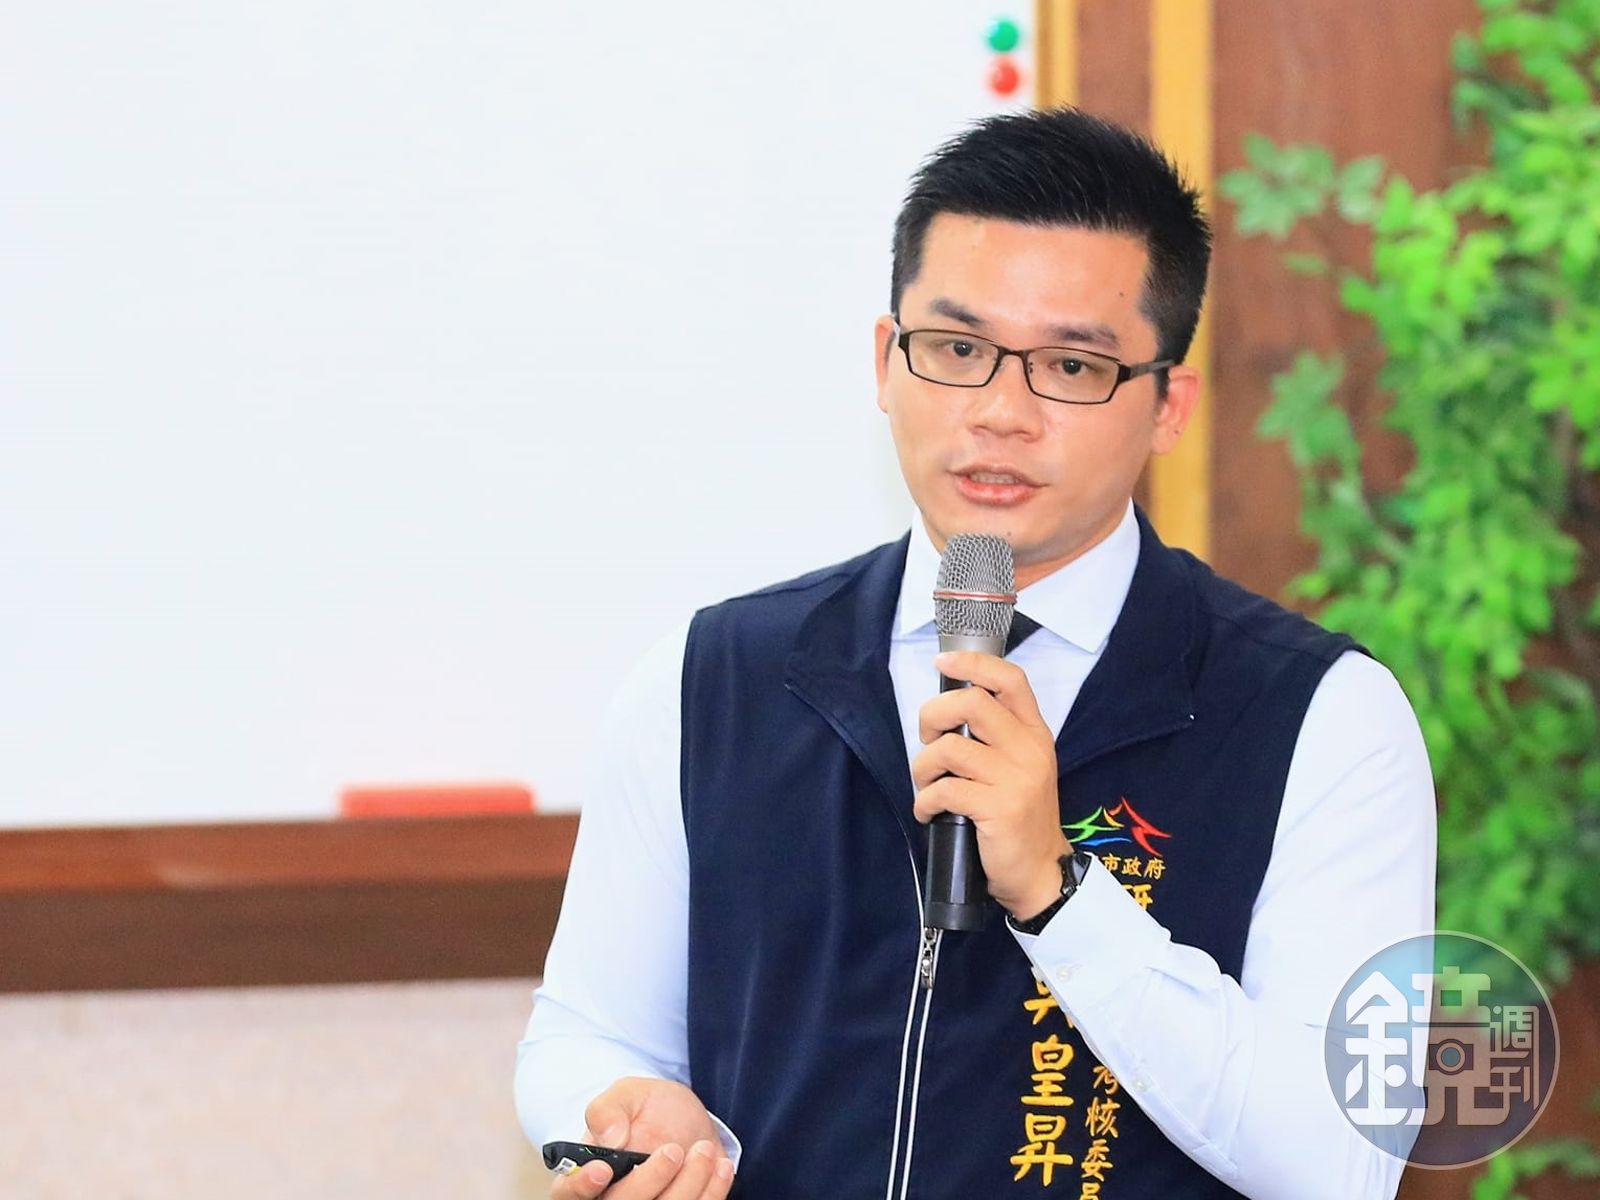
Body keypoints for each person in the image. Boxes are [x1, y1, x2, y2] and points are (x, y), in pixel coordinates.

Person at [514, 107, 1436, 1200]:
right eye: (957, 350)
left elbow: (1344, 1161)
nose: (1001, 412)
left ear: (1167, 406)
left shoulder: (1321, 718)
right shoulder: (713, 678)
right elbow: (584, 1032)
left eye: (1072, 366)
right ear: (885, 361)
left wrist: (1060, 895)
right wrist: (635, 1114)